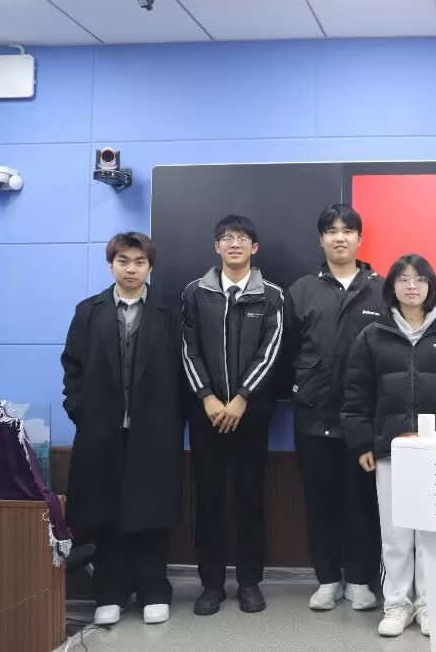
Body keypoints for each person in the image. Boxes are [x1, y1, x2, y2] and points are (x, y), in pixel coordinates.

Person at [342, 253, 436, 638]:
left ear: (430, 286)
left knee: (432, 534)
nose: (411, 286)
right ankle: (397, 604)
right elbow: (356, 396)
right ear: (392, 287)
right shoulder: (373, 335)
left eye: (419, 279)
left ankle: (428, 604)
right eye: (403, 279)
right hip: (391, 453)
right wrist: (363, 443)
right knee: (396, 534)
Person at [61, 233, 185, 627]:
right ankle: (110, 593)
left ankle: (154, 591)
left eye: (139, 262)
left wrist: (174, 419)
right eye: (123, 261)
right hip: (102, 430)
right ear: (111, 264)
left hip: (154, 429)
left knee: (151, 510)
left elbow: (184, 371)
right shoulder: (88, 311)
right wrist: (81, 412)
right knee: (106, 512)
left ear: (150, 267)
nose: (131, 269)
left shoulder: (169, 313)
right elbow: (72, 367)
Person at [181, 215, 284, 616]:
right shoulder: (196, 292)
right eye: (227, 238)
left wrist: (241, 398)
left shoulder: (271, 294)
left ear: (254, 248)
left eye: (242, 238)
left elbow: (271, 352)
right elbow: (188, 348)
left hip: (251, 414)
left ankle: (249, 582)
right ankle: (210, 584)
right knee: (207, 499)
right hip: (205, 414)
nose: (234, 244)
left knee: (250, 498)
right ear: (217, 247)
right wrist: (207, 397)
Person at [285, 205, 383, 613]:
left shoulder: (381, 289)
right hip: (314, 415)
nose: (339, 237)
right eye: (331, 231)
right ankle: (327, 579)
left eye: (347, 231)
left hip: (365, 420)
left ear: (359, 238)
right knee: (319, 502)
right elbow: (287, 350)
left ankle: (360, 579)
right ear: (321, 239)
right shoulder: (302, 290)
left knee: (363, 504)